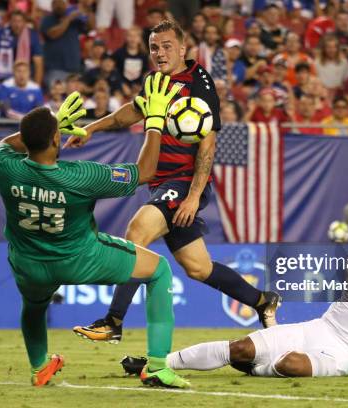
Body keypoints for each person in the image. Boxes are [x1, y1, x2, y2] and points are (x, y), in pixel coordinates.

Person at [65, 19, 282, 343]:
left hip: (183, 182)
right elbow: (132, 111)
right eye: (155, 47)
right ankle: (263, 301)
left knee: (137, 231)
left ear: (183, 48)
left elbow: (207, 146)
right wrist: (92, 128)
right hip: (161, 184)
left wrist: (193, 197)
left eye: (167, 46)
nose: (160, 53)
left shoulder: (198, 82)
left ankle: (113, 321)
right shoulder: (154, 81)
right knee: (198, 268)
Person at [0, 84, 190, 388]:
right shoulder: (81, 176)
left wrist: (51, 125)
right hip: (82, 259)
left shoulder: (2, 166)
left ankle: (39, 366)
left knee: (33, 306)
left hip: (30, 262)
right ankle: (158, 366)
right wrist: (155, 121)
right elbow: (145, 171)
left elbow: (9, 143)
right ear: (57, 138)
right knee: (158, 270)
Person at [121, 211, 348, 380]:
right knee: (241, 348)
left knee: (289, 364)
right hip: (319, 329)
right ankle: (158, 364)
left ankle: (258, 367)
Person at [0, 10, 43, 89]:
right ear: (9, 22)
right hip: (4, 78)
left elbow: (38, 62)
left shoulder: (32, 35)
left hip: (26, 78)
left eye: (20, 21)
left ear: (25, 23)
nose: (17, 25)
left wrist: (36, 87)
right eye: (14, 21)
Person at [41, 0, 92, 86]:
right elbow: (53, 34)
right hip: (55, 68)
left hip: (74, 68)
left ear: (66, 5)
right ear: (52, 5)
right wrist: (68, 19)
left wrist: (88, 10)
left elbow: (90, 27)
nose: (58, 6)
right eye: (56, 3)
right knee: (57, 96)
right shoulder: (48, 19)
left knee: (74, 98)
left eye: (61, 3)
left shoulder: (75, 20)